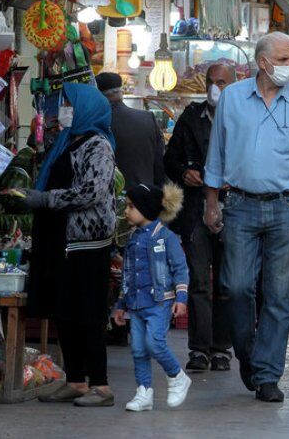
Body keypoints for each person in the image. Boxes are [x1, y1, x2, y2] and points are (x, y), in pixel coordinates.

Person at [203, 31, 289, 403]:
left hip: (287, 207)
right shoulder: (233, 99)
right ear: (263, 63)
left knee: (279, 294)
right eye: (286, 60)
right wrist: (211, 202)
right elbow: (217, 153)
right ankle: (247, 353)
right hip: (240, 205)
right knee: (236, 286)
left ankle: (268, 375)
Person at [25, 83, 117, 407]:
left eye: (68, 105)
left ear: (86, 109)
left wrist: (46, 199)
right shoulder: (67, 140)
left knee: (87, 312)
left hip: (88, 243)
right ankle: (76, 380)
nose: (63, 109)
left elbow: (91, 191)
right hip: (63, 239)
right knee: (65, 311)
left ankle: (101, 386)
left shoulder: (98, 145)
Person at [163, 63, 233, 372]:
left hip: (232, 211)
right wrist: (183, 172)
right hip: (194, 212)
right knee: (199, 282)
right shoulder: (191, 118)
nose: (215, 87)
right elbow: (170, 159)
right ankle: (200, 349)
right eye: (211, 82)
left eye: (221, 82)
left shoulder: (241, 118)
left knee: (228, 283)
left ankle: (221, 347)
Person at [112, 183, 191, 411]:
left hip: (159, 302)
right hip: (136, 304)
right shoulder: (133, 239)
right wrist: (120, 305)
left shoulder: (166, 238)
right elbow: (127, 275)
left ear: (145, 208)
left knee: (154, 343)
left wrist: (181, 298)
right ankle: (144, 392)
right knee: (138, 349)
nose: (126, 211)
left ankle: (177, 376)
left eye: (131, 206)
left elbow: (180, 268)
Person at [96, 72, 165, 190]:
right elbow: (159, 163)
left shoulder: (97, 124)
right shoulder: (148, 118)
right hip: (144, 195)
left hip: (114, 198)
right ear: (121, 92)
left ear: (98, 95)